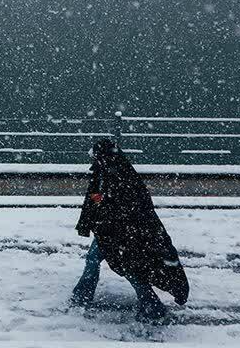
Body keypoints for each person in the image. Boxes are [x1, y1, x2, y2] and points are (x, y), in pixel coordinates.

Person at [71, 138, 189, 322]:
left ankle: (151, 306)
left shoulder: (122, 175)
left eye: (95, 156)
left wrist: (103, 207)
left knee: (130, 269)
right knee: (98, 260)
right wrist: (94, 216)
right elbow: (94, 199)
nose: (93, 159)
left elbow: (127, 205)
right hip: (110, 232)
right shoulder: (102, 172)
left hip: (126, 234)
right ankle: (82, 296)